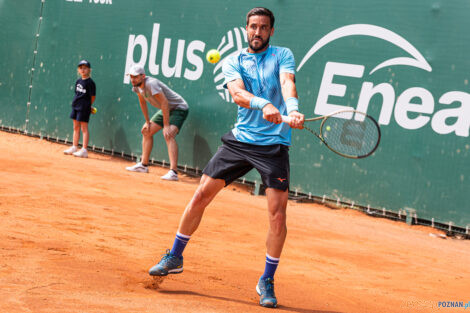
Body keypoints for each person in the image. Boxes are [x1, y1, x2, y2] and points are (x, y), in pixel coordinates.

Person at [148, 7, 304, 308]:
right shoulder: (234, 61)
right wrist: (263, 105)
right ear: (246, 29)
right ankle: (175, 256)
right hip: (240, 142)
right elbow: (237, 93)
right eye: (253, 27)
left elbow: (287, 84)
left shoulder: (283, 55)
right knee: (200, 196)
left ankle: (267, 279)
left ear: (271, 31)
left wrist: (292, 107)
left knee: (278, 215)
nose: (257, 32)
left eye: (263, 28)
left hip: (274, 147)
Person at [125, 65, 189, 181]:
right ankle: (143, 165)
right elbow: (142, 102)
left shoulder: (151, 84)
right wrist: (147, 121)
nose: (132, 79)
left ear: (143, 76)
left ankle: (173, 172)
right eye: (131, 77)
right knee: (146, 131)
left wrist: (166, 125)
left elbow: (164, 102)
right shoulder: (136, 87)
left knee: (168, 134)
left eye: (135, 77)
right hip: (167, 109)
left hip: (179, 108)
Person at [64, 60, 96, 158]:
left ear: (89, 70)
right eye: (81, 68)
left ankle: (84, 150)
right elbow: (77, 94)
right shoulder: (78, 81)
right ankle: (74, 146)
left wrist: (88, 106)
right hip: (76, 106)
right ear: (78, 70)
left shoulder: (91, 83)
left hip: (84, 108)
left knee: (84, 128)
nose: (83, 70)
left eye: (85, 68)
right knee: (76, 127)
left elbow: (93, 96)